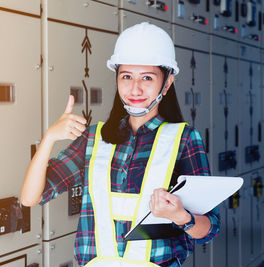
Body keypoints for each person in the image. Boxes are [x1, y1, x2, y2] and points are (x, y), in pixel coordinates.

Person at [21, 22, 220, 267]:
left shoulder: (185, 139)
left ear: (166, 84)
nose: (135, 88)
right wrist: (50, 137)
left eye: (147, 77)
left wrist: (180, 216)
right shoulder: (93, 139)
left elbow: (209, 229)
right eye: (126, 76)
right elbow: (30, 198)